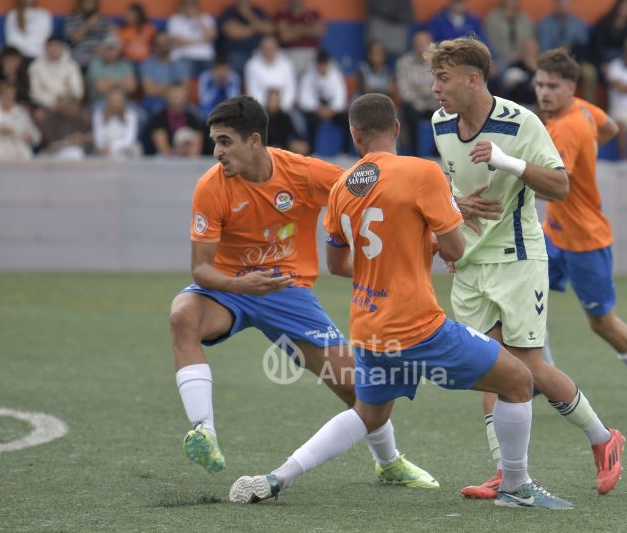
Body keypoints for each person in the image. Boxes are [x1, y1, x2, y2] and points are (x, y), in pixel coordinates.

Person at [227, 93, 573, 510]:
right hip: (418, 326)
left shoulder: (340, 187)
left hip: (370, 328)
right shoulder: (421, 173)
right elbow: (456, 249)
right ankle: (516, 488)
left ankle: (278, 476)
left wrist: (394, 260)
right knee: (518, 380)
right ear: (396, 128)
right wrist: (425, 246)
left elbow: (337, 264)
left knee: (368, 415)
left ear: (355, 135)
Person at [169, 95, 436, 490]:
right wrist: (242, 284)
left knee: (357, 388)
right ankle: (203, 431)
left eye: (225, 141)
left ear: (254, 140)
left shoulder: (302, 172)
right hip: (229, 289)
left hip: (288, 290)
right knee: (183, 316)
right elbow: (201, 269)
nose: (217, 152)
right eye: (215, 141)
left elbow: (371, 191)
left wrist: (440, 206)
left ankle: (389, 463)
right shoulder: (211, 187)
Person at [425, 37, 624, 501]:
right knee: (489, 367)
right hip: (470, 265)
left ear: (473, 80)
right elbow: (449, 185)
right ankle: (507, 472)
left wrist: (506, 161)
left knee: (528, 365)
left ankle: (603, 438)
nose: (435, 88)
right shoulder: (439, 123)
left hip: (517, 259)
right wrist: (452, 221)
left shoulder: (522, 122)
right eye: (435, 77)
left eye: (443, 78)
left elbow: (559, 185)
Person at [536, 48, 627, 421]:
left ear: (570, 87)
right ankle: (542, 376)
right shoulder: (584, 109)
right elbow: (611, 128)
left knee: (601, 323)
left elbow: (553, 187)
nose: (544, 92)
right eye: (540, 84)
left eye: (552, 86)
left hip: (585, 242)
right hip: (554, 234)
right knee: (523, 299)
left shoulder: (567, 127)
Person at [0, 82, 41, 160]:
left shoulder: (21, 112)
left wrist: (30, 136)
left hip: (20, 152)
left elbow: (37, 136)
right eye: (6, 95)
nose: (9, 98)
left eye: (11, 96)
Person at [217, 0, 274, 76]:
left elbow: (269, 29)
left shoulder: (258, 11)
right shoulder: (230, 12)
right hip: (235, 53)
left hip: (257, 54)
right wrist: (257, 27)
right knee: (235, 61)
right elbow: (233, 32)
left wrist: (249, 15)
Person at [167, 0, 217, 78]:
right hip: (184, 56)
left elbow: (212, 36)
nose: (190, 7)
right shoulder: (175, 19)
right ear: (181, 5)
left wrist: (197, 19)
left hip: (206, 57)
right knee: (181, 72)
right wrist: (202, 40)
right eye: (186, 4)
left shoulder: (206, 18)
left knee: (218, 71)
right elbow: (179, 41)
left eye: (193, 4)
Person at [64, 0, 112, 70]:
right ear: (80, 3)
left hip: (99, 53)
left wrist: (103, 50)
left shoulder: (101, 19)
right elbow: (73, 39)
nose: (88, 5)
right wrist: (88, 25)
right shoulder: (72, 18)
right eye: (86, 2)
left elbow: (108, 38)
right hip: (81, 53)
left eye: (91, 2)